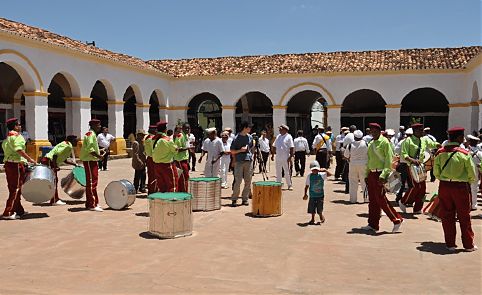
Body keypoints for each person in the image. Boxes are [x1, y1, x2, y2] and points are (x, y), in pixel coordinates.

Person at [433, 126, 477, 252]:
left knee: (447, 215)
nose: (463, 139)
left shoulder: (440, 153)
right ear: (458, 138)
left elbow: (436, 172)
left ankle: (450, 244)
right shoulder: (464, 154)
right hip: (460, 187)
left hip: (444, 186)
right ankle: (468, 245)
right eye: (462, 136)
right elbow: (472, 174)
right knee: (464, 216)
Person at [361, 123, 403, 233]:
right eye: (371, 132)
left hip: (380, 174)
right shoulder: (370, 144)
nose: (373, 133)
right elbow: (368, 161)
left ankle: (396, 219)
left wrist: (384, 175)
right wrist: (366, 175)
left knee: (381, 199)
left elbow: (389, 160)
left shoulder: (385, 142)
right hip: (371, 174)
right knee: (373, 200)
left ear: (380, 132)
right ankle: (373, 224)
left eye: (375, 131)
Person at [399, 123, 439, 215]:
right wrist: (413, 160)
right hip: (411, 166)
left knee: (423, 188)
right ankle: (404, 201)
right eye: (420, 130)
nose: (422, 132)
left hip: (421, 166)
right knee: (415, 186)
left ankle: (417, 208)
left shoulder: (424, 140)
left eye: (422, 130)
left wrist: (440, 146)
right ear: (414, 131)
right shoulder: (407, 141)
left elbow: (433, 144)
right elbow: (404, 155)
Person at [2, 118, 37, 220]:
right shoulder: (17, 137)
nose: (21, 126)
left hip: (9, 164)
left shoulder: (7, 138)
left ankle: (19, 210)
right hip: (15, 165)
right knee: (16, 189)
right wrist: (30, 159)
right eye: (19, 125)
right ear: (15, 126)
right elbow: (19, 150)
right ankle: (8, 212)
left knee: (14, 188)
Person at [40, 135, 79, 205]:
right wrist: (55, 166)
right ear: (72, 141)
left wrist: (74, 164)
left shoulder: (66, 144)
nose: (77, 142)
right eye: (76, 141)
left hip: (48, 160)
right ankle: (54, 200)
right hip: (50, 161)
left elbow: (65, 160)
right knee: (54, 181)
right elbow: (55, 155)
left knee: (54, 181)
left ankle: (54, 198)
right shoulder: (67, 146)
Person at [80, 119, 104, 212]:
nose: (100, 126)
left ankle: (92, 202)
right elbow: (90, 149)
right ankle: (92, 204)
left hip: (92, 160)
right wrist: (99, 156)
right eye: (98, 125)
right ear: (93, 125)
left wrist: (99, 151)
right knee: (91, 183)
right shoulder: (91, 134)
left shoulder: (92, 134)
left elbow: (92, 148)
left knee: (93, 182)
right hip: (90, 161)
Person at [230, 121, 254, 206]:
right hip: (239, 161)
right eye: (249, 127)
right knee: (238, 180)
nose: (250, 129)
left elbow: (251, 148)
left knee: (248, 180)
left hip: (248, 160)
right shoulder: (236, 138)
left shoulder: (250, 137)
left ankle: (245, 198)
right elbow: (232, 151)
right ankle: (234, 198)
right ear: (245, 128)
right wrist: (240, 150)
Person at [152, 121, 179, 192]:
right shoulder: (168, 140)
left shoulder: (152, 139)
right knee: (172, 186)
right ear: (165, 130)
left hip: (156, 166)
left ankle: (162, 202)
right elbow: (175, 150)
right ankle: (172, 202)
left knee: (161, 186)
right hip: (167, 166)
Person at [344, 130, 368, 204]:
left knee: (353, 182)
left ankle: (353, 200)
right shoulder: (366, 144)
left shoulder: (350, 145)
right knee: (364, 182)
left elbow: (346, 155)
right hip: (364, 164)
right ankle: (366, 199)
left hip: (353, 164)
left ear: (354, 137)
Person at [272, 124, 295, 190]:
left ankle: (289, 185)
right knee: (278, 171)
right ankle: (278, 184)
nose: (279, 130)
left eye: (280, 129)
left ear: (285, 130)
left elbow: (291, 147)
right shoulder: (278, 136)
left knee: (287, 171)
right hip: (278, 156)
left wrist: (290, 156)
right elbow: (274, 146)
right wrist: (273, 155)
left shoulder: (289, 137)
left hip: (286, 157)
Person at [394, 128, 412, 202]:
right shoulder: (415, 142)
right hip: (412, 165)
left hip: (403, 165)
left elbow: (396, 151)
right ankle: (408, 199)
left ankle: (399, 198)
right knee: (412, 184)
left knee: (402, 183)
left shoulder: (402, 142)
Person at [173, 124, 191, 192]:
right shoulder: (180, 137)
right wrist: (187, 148)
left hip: (184, 159)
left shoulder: (185, 136)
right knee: (184, 178)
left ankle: (182, 191)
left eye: (188, 128)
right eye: (185, 128)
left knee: (183, 177)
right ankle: (184, 192)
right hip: (180, 160)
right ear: (182, 129)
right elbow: (177, 149)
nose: (187, 130)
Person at [466, 135, 481, 210]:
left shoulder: (465, 151)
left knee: (465, 190)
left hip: (465, 174)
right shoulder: (480, 153)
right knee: (474, 189)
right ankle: (473, 205)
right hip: (475, 174)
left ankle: (466, 204)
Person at [131, 129, 147, 193]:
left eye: (143, 135)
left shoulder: (143, 142)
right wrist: (139, 161)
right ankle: (136, 188)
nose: (143, 137)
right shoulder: (136, 143)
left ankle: (142, 187)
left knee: (143, 175)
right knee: (137, 175)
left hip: (143, 161)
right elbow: (135, 154)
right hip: (138, 162)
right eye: (141, 135)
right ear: (138, 135)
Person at [144, 125, 157, 194]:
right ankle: (152, 191)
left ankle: (152, 190)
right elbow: (154, 150)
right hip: (152, 159)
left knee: (151, 175)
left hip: (150, 158)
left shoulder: (147, 138)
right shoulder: (151, 139)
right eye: (155, 130)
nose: (156, 131)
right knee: (153, 176)